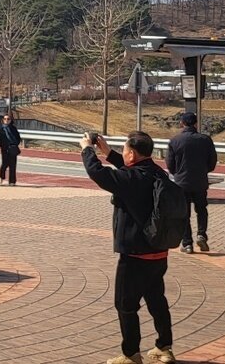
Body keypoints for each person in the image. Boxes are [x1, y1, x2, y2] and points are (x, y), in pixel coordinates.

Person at [80, 131, 175, 364]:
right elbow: (130, 170)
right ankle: (164, 347)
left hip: (135, 255)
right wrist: (110, 153)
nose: (123, 154)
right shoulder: (157, 173)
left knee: (126, 304)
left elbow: (97, 173)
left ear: (131, 153)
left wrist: (87, 150)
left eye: (124, 150)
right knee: (156, 300)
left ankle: (131, 354)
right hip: (158, 251)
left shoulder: (131, 179)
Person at [167, 112, 219, 254]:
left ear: (181, 123)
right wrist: (203, 171)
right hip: (200, 181)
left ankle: (187, 243)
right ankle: (201, 234)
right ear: (196, 123)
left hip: (181, 182)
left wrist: (178, 174)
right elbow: (212, 162)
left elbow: (170, 165)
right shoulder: (205, 140)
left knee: (184, 213)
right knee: (201, 209)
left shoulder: (175, 141)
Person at [0, 113, 22, 186]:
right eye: (5, 119)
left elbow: (18, 138)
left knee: (13, 165)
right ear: (3, 120)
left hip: (12, 149)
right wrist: (3, 146)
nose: (6, 120)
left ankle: (12, 181)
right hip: (5, 149)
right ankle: (1, 176)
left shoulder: (14, 129)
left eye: (8, 119)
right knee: (4, 164)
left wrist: (15, 144)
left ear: (11, 120)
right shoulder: (1, 129)